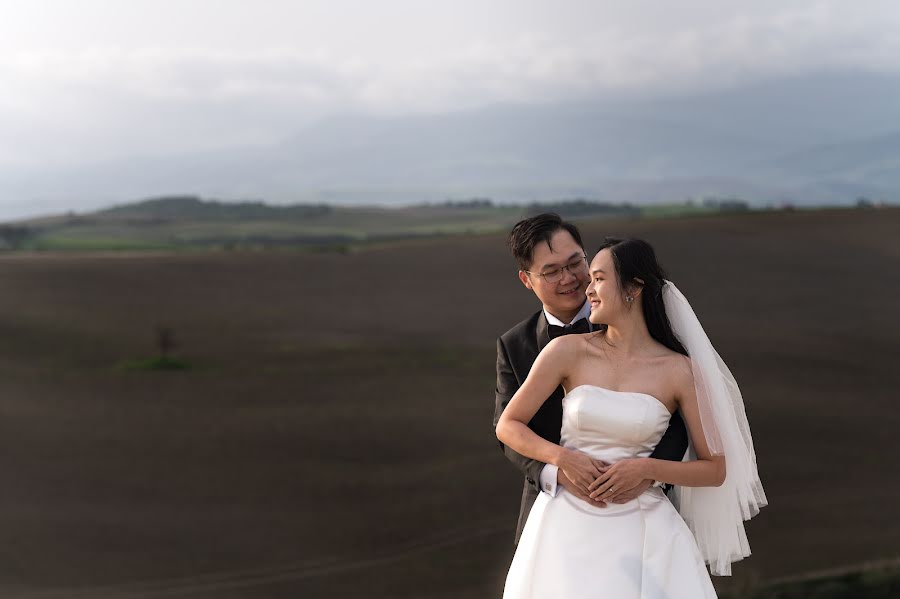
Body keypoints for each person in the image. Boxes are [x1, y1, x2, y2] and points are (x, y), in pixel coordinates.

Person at [496, 235, 766, 597]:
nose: (587, 289)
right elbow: (508, 425)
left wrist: (647, 469)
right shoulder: (567, 352)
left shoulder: (679, 371)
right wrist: (564, 459)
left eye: (599, 278)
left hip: (644, 529)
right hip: (564, 528)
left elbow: (715, 468)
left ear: (633, 288)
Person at [493, 214, 689, 545]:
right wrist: (560, 471)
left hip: (639, 508)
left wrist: (649, 475)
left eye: (575, 263)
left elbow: (679, 418)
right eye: (552, 272)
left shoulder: (641, 322)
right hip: (553, 510)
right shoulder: (514, 345)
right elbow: (507, 427)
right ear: (526, 280)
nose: (569, 278)